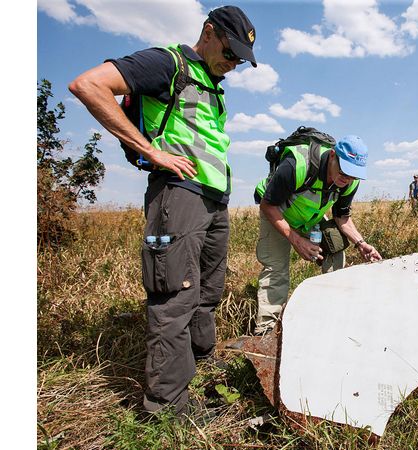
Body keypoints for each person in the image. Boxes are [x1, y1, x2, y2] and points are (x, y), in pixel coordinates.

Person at [69, 5, 258, 416]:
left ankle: (199, 363)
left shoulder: (210, 81)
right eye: (230, 53)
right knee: (175, 296)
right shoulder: (167, 63)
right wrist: (151, 151)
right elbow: (88, 85)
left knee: (207, 291)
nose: (233, 64)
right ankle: (168, 407)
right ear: (208, 32)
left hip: (213, 199)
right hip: (179, 195)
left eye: (240, 61)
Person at [253, 135, 383, 334]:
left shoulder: (350, 182)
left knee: (336, 248)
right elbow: (267, 205)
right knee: (277, 268)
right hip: (277, 211)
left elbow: (341, 217)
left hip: (308, 218)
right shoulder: (297, 166)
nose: (346, 179)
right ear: (332, 156)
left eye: (353, 175)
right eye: (344, 171)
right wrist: (297, 241)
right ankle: (266, 331)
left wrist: (361, 243)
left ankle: (331, 314)